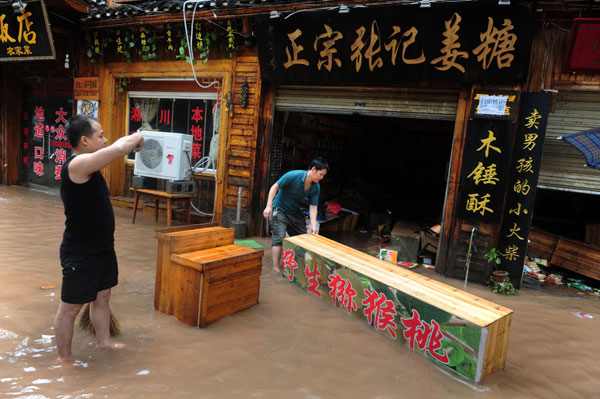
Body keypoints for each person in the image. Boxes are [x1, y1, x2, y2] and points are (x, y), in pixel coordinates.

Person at [53, 114, 144, 362]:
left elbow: (117, 147)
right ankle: (65, 360)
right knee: (70, 309)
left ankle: (104, 344)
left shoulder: (91, 165)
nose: (105, 140)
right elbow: (119, 148)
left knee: (102, 298)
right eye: (100, 135)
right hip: (80, 252)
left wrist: (134, 140)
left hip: (102, 248)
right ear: (84, 140)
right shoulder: (76, 165)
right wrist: (140, 136)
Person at [263, 157, 329, 273]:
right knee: (279, 238)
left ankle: (300, 266)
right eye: (321, 174)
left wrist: (313, 225)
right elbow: (275, 187)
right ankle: (276, 267)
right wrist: (268, 206)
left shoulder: (315, 187)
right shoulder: (293, 176)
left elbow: (313, 206)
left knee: (303, 238)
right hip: (279, 209)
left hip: (295, 212)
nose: (322, 177)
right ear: (313, 169)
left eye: (323, 175)